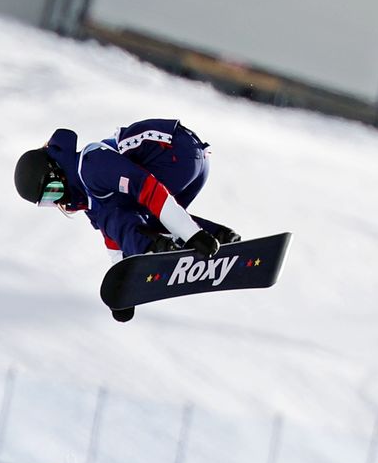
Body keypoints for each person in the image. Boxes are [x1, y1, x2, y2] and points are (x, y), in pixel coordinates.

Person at [14, 121, 238, 321]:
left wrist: (191, 234)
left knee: (126, 214)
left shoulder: (91, 164)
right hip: (191, 162)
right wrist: (124, 290)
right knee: (141, 218)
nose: (58, 199)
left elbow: (147, 189)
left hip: (175, 152)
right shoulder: (90, 199)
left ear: (57, 170)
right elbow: (113, 240)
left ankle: (153, 249)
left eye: (54, 189)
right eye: (49, 200)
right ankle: (220, 238)